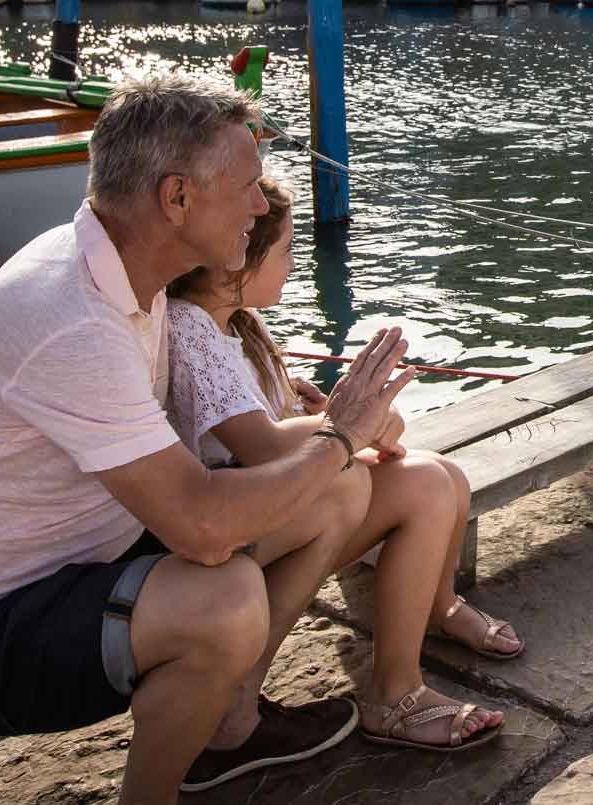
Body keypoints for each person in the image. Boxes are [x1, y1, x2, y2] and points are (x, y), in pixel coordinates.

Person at [0, 76, 417, 802]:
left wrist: (326, 443)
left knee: (337, 491)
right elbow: (201, 528)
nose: (262, 205)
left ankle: (229, 718)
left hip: (90, 558)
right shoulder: (72, 315)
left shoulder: (139, 276)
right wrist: (337, 434)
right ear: (177, 199)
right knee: (226, 597)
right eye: (247, 186)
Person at [165, 174, 519, 752]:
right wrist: (352, 425)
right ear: (239, 263)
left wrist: (339, 421)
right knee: (427, 483)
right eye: (285, 251)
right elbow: (261, 447)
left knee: (443, 475)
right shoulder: (190, 329)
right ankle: (395, 693)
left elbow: (280, 432)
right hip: (237, 521)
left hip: (278, 502)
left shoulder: (239, 326)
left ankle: (439, 606)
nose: (294, 262)